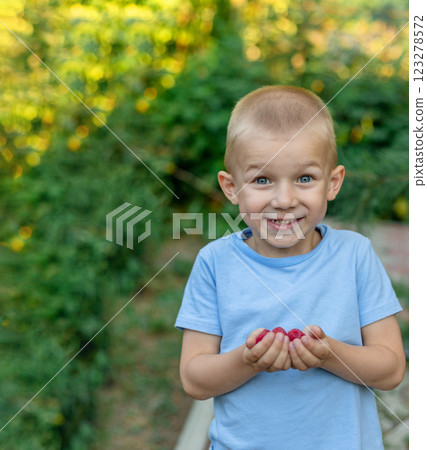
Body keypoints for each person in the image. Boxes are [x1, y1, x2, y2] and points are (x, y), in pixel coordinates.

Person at [175, 85, 406, 449]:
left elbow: (391, 369)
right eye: (263, 180)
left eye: (304, 178)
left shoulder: (355, 256)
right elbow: (194, 379)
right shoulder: (215, 264)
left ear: (332, 183)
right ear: (231, 187)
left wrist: (330, 354)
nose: (284, 200)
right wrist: (247, 360)